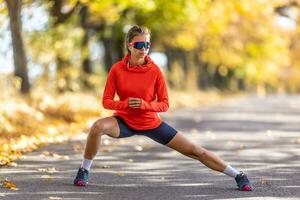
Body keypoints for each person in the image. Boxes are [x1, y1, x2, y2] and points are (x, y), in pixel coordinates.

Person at [73, 25, 253, 191]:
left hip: (151, 123)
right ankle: (84, 170)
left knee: (196, 151)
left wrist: (145, 105)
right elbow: (106, 101)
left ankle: (237, 175)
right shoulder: (117, 69)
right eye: (140, 44)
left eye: (147, 45)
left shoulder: (155, 71)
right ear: (130, 45)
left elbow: (164, 104)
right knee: (97, 127)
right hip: (123, 121)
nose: (144, 48)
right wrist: (125, 104)